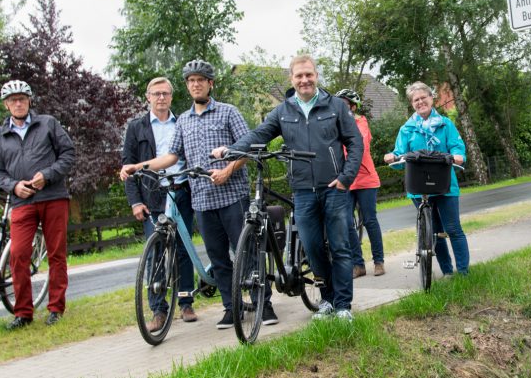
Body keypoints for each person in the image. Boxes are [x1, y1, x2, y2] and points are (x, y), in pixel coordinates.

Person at [212, 55, 363, 321]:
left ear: (316, 76)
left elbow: (355, 143)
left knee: (340, 246)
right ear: (291, 79)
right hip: (303, 191)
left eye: (309, 75)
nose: (304, 80)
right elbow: (258, 134)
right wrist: (231, 150)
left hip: (334, 188)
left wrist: (346, 178)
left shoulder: (336, 106)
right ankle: (326, 301)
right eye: (299, 76)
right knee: (313, 247)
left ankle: (343, 306)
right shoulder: (283, 111)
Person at [120, 60, 269, 329]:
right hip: (201, 200)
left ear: (210, 84)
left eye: (201, 79)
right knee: (218, 257)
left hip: (232, 195)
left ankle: (263, 303)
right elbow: (172, 156)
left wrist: (227, 170)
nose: (196, 84)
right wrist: (138, 166)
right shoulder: (184, 121)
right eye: (191, 80)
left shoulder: (228, 112)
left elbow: (247, 148)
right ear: (187, 86)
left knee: (245, 250)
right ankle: (229, 307)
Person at [0, 80, 75, 329]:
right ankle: (23, 312)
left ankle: (56, 308)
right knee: (18, 255)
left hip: (53, 197)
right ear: (6, 104)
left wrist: (47, 175)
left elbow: (68, 154)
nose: (18, 103)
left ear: (29, 101)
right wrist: (14, 186)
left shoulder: (48, 123)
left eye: (22, 99)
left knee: (56, 253)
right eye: (13, 100)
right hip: (21, 201)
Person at [121, 76, 198, 329]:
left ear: (172, 97)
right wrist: (135, 202)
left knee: (183, 248)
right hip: (152, 196)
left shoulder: (184, 122)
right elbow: (128, 166)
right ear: (148, 97)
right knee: (155, 252)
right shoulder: (136, 127)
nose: (161, 98)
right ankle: (158, 310)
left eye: (165, 93)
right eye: (156, 94)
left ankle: (186, 301)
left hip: (182, 191)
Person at [383, 81, 470, 276]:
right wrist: (392, 156)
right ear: (412, 104)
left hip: (445, 184)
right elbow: (399, 157)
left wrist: (458, 154)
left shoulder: (445, 124)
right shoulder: (406, 129)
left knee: (453, 228)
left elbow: (456, 146)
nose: (420, 102)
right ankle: (447, 272)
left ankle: (463, 272)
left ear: (431, 99)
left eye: (424, 97)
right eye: (416, 100)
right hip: (419, 186)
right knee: (434, 233)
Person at [334, 88, 385, 278]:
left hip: (365, 179)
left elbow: (359, 145)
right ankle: (358, 264)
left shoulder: (361, 122)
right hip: (345, 181)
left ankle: (378, 261)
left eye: (345, 105)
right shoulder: (334, 125)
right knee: (347, 222)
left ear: (353, 107)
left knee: (370, 220)